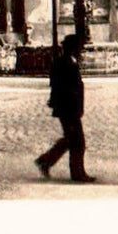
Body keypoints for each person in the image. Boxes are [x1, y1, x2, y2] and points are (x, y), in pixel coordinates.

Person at [35, 33, 94, 182]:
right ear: (73, 48)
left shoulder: (67, 61)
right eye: (79, 47)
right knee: (78, 141)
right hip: (68, 107)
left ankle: (45, 161)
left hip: (69, 107)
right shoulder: (64, 62)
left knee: (70, 139)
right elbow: (59, 85)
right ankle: (77, 173)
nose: (81, 50)